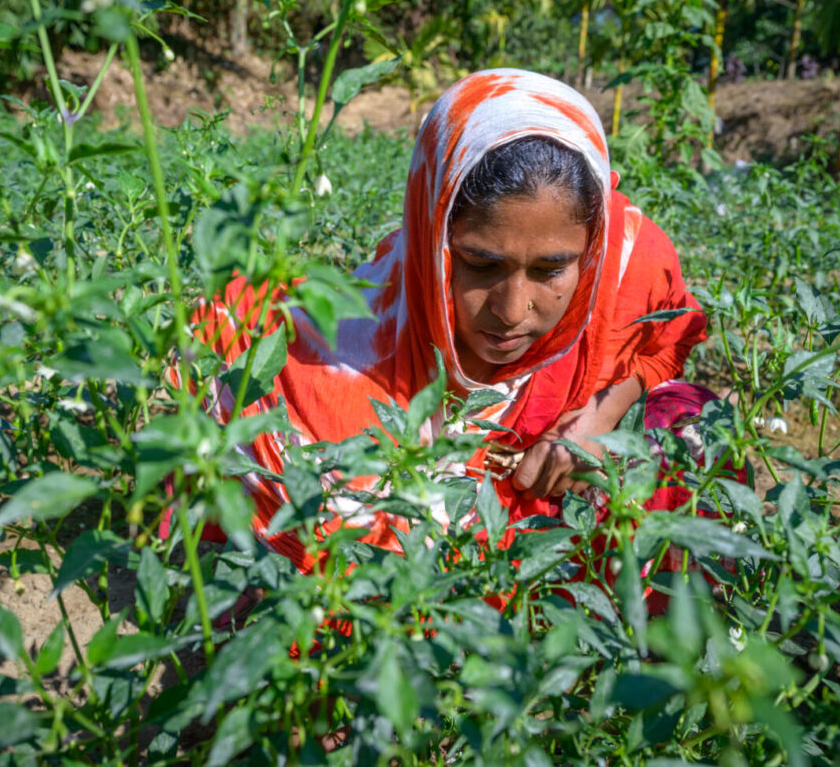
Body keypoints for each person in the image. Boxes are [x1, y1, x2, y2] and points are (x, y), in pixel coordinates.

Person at [164, 68, 724, 577]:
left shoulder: (625, 255)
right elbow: (215, 350)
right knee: (354, 516)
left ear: (589, 246)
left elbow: (664, 341)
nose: (510, 310)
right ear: (433, 235)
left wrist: (599, 422)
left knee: (690, 433)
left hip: (561, 473)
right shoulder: (358, 346)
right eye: (481, 265)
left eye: (551, 270)